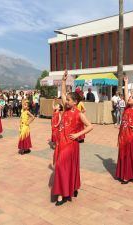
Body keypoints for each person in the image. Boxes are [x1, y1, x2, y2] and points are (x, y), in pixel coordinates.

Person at [52, 71, 93, 206]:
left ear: (75, 102)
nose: (66, 101)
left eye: (69, 100)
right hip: (61, 142)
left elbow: (90, 126)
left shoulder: (78, 113)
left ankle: (61, 194)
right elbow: (63, 94)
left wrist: (77, 135)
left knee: (60, 166)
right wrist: (63, 81)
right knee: (67, 167)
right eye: (67, 100)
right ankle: (73, 187)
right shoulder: (66, 109)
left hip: (70, 143)